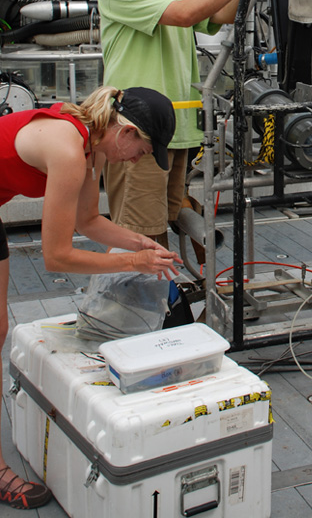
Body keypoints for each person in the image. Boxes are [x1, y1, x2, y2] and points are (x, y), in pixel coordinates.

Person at [0, 85, 182, 509]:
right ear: (126, 133)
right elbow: (57, 256)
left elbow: (88, 220)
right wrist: (132, 263)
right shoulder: (67, 150)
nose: (138, 160)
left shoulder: (91, 146)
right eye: (143, 150)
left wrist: (142, 243)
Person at [98, 0, 261, 250]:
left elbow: (224, 14)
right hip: (136, 133)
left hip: (178, 127)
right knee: (140, 238)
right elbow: (183, 15)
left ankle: (161, 299)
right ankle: (134, 303)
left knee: (169, 222)